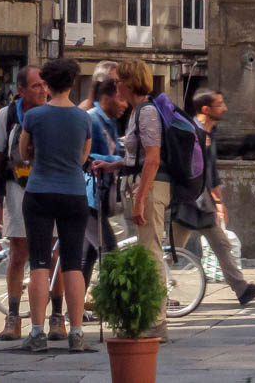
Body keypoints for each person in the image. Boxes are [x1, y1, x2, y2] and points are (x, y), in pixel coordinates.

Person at [91, 59, 172, 341]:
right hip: (143, 186)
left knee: (151, 253)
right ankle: (151, 318)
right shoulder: (137, 111)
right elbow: (135, 158)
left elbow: (152, 159)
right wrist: (111, 165)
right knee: (147, 252)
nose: (116, 86)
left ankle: (157, 322)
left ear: (130, 82)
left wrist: (139, 199)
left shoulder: (147, 112)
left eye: (119, 81)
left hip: (151, 189)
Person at [17, 58, 94, 354]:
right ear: (72, 83)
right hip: (73, 193)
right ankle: (76, 332)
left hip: (39, 192)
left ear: (47, 84)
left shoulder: (34, 116)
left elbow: (24, 153)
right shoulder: (83, 119)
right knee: (73, 263)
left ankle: (37, 332)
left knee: (39, 262)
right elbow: (83, 158)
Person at [177, 89, 255, 306]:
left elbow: (211, 170)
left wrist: (218, 200)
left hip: (201, 202)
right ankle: (155, 290)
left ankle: (242, 289)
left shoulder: (210, 132)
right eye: (220, 104)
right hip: (188, 199)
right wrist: (218, 201)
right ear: (205, 109)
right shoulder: (191, 132)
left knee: (221, 243)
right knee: (171, 250)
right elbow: (196, 169)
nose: (225, 108)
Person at [0, 67, 61, 342]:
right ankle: (13, 318)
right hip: (17, 189)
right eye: (36, 86)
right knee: (19, 252)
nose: (43, 90)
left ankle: (57, 317)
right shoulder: (7, 116)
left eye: (45, 85)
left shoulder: (56, 111)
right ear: (21, 90)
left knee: (54, 254)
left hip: (52, 188)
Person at [84, 73, 126, 287]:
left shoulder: (110, 122)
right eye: (121, 98)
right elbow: (85, 156)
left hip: (100, 196)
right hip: (88, 198)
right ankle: (114, 299)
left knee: (87, 258)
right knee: (109, 249)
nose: (125, 104)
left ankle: (76, 303)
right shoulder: (91, 119)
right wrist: (118, 160)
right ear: (106, 98)